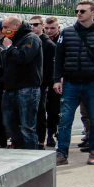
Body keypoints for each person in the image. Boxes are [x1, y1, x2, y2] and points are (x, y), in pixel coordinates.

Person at [53, 0, 94, 165]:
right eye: (77, 11)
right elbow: (59, 58)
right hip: (71, 84)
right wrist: (57, 79)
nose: (79, 14)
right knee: (65, 119)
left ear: (93, 12)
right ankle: (61, 153)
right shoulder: (67, 32)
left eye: (82, 11)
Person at [0, 16, 43, 150]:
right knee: (10, 123)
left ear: (17, 26)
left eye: (6, 28)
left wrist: (9, 47)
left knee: (27, 126)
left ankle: (31, 157)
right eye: (3, 28)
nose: (4, 30)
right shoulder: (11, 41)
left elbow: (23, 58)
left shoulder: (31, 38)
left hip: (27, 88)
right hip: (10, 87)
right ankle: (18, 152)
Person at [32, 15, 57, 149]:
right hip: (32, 83)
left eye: (36, 24)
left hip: (43, 84)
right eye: (31, 24)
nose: (33, 27)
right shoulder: (30, 40)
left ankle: (44, 139)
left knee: (44, 112)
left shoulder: (48, 44)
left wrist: (48, 84)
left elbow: (49, 68)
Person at [41, 17, 62, 149]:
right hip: (43, 80)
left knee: (55, 110)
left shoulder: (62, 40)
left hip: (56, 80)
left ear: (58, 28)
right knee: (43, 110)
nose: (49, 31)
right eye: (47, 28)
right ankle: (48, 135)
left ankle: (52, 133)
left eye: (52, 28)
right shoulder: (40, 40)